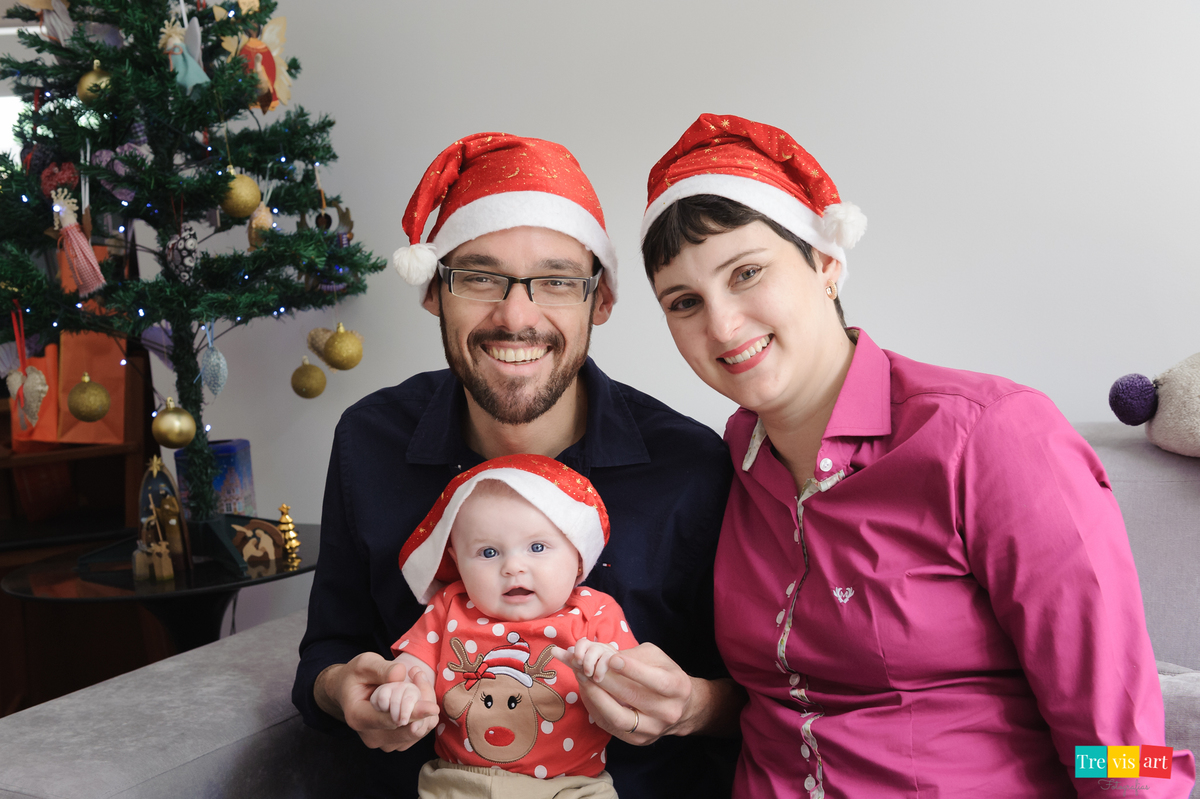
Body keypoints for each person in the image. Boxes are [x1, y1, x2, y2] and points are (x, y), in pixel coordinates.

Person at [623, 113, 1197, 798]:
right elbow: (784, 703)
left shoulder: (992, 437)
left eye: (746, 273)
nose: (721, 324)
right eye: (684, 302)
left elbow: (1129, 751)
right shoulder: (725, 465)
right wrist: (693, 704)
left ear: (827, 263)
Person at [292, 131, 743, 798]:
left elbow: (764, 694)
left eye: (557, 281)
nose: (516, 315)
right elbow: (325, 656)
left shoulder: (689, 463)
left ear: (602, 300)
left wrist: (697, 705)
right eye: (478, 276)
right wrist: (343, 690)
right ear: (433, 292)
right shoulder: (371, 439)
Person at [370, 454, 637, 798]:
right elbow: (413, 666)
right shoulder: (450, 606)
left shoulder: (595, 610)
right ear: (456, 560)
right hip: (458, 782)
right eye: (488, 553)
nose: (513, 566)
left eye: (537, 547)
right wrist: (402, 688)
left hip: (571, 787)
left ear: (578, 555)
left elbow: (635, 686)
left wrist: (607, 665)